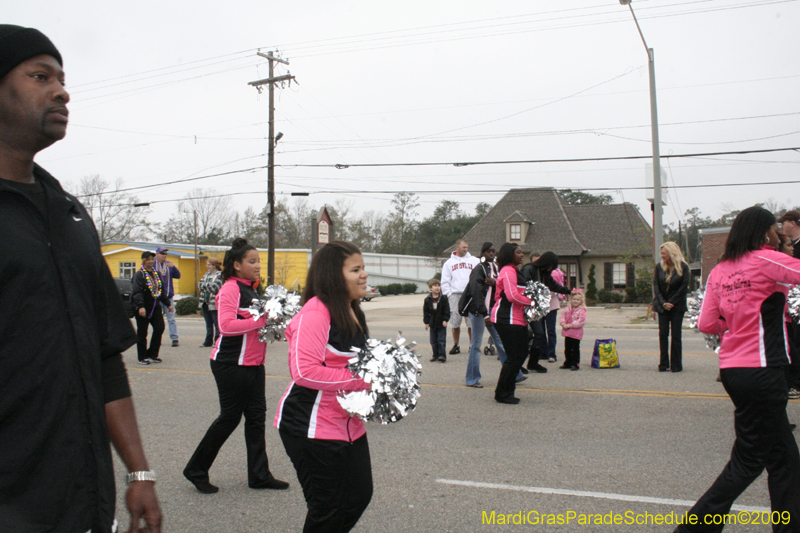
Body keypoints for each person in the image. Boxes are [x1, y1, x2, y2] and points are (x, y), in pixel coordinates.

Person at [0, 25, 161, 531]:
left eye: (63, 79)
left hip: (83, 501)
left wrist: (139, 470)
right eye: (40, 76)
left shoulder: (70, 216)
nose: (62, 91)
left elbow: (104, 356)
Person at [677, 206, 800, 533]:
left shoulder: (721, 270)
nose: (779, 235)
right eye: (775, 230)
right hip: (763, 369)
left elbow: (705, 323)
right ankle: (693, 528)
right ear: (763, 233)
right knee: (748, 462)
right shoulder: (766, 259)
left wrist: (736, 324)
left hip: (734, 369)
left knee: (784, 458)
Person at [275, 241, 374, 532]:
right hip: (308, 425)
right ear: (333, 275)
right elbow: (304, 372)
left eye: (363, 268)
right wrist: (363, 380)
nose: (364, 275)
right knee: (327, 508)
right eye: (355, 269)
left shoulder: (354, 310)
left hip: (347, 421)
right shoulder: (316, 313)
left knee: (358, 496)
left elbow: (360, 364)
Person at [184, 238, 289, 494]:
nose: (257, 266)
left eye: (259, 261)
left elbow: (261, 326)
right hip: (230, 364)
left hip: (253, 364)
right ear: (236, 265)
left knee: (255, 418)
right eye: (252, 261)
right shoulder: (231, 288)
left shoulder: (252, 289)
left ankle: (259, 475)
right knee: (229, 418)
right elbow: (227, 327)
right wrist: (263, 320)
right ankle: (196, 469)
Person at [462, 242, 519, 388]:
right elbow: (475, 292)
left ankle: (515, 374)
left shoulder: (496, 269)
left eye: (494, 251)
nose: (492, 254)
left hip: (492, 310)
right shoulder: (478, 269)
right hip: (478, 311)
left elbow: (501, 287)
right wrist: (484, 314)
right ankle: (472, 379)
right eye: (488, 251)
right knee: (476, 344)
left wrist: (494, 283)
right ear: (482, 253)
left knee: (500, 342)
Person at [491, 243, 535, 404]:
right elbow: (512, 296)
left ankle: (506, 390)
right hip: (506, 318)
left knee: (521, 354)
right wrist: (532, 302)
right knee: (514, 357)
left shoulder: (515, 270)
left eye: (521, 252)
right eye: (518, 252)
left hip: (517, 318)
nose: (522, 254)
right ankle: (502, 393)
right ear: (509, 255)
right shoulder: (508, 271)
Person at [520, 252, 574, 373]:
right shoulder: (529, 269)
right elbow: (524, 287)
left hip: (536, 308)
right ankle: (518, 364)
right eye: (551, 265)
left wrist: (569, 292)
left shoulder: (544, 274)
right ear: (546, 262)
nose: (551, 269)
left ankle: (533, 363)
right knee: (527, 336)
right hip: (527, 307)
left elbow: (554, 286)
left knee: (539, 334)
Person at [131, 251, 174, 365]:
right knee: (142, 333)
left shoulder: (156, 274)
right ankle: (142, 356)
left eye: (152, 259)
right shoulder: (139, 274)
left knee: (159, 328)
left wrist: (168, 304)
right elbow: (137, 292)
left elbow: (161, 291)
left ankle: (153, 353)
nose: (150, 261)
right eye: (148, 259)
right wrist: (140, 306)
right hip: (143, 307)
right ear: (144, 260)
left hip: (155, 307)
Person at [653, 241, 690, 373]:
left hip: (677, 306)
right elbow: (656, 286)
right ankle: (663, 364)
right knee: (663, 334)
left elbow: (683, 287)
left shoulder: (683, 267)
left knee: (676, 335)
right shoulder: (659, 267)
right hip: (662, 306)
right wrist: (663, 303)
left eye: (664, 253)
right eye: (661, 253)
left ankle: (676, 365)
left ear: (671, 253)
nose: (661, 255)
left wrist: (672, 302)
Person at [440, 239, 479, 355]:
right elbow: (445, 280)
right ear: (457, 247)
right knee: (455, 321)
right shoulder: (449, 263)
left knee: (471, 321)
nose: (466, 249)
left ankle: (472, 345)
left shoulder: (474, 261)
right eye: (463, 247)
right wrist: (449, 294)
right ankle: (456, 344)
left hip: (470, 294)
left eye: (467, 247)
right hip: (455, 294)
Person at [778, 210, 800, 400]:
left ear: (792, 223)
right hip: (789, 307)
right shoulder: (785, 248)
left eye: (784, 223)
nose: (782, 226)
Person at [154, 246, 181, 347]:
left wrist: (174, 267)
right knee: (157, 319)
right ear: (157, 254)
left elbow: (178, 276)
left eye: (165, 254)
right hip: (157, 297)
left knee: (171, 318)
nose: (164, 255)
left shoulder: (169, 265)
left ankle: (174, 338)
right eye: (162, 253)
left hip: (168, 296)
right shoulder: (153, 265)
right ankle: (157, 338)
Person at [423, 278, 450, 363]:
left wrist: (445, 320)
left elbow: (446, 311)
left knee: (441, 340)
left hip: (441, 323)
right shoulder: (428, 299)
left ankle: (442, 355)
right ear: (430, 288)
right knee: (433, 341)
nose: (437, 288)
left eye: (438, 286)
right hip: (432, 323)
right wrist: (426, 322)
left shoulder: (443, 298)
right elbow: (426, 312)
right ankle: (435, 355)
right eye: (435, 286)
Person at [199, 256, 223, 347]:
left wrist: (205, 286)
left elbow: (216, 288)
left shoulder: (220, 275)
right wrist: (207, 285)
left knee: (216, 323)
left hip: (214, 303)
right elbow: (199, 285)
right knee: (208, 323)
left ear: (214, 265)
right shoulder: (206, 275)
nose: (208, 266)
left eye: (209, 264)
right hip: (205, 302)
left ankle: (217, 341)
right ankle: (208, 341)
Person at [559, 291, 587, 371]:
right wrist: (563, 324)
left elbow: (581, 321)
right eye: (574, 299)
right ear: (571, 300)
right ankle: (568, 362)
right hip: (568, 333)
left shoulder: (581, 311)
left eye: (578, 300)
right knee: (567, 349)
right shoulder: (567, 309)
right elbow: (562, 317)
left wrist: (570, 325)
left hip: (576, 334)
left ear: (581, 301)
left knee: (575, 349)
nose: (575, 301)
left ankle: (575, 364)